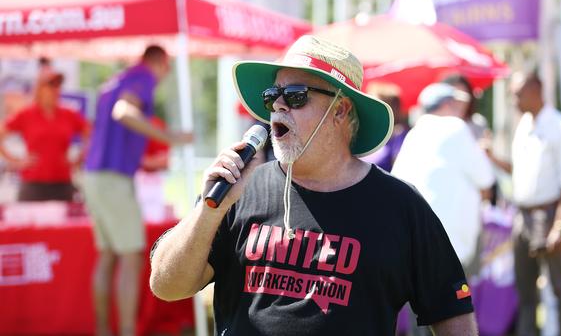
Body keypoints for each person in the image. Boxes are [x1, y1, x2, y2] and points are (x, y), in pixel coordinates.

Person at [149, 35, 477, 336]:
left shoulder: (400, 206)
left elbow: (452, 312)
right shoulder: (239, 190)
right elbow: (167, 286)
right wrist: (209, 210)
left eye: (295, 96)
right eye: (272, 96)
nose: (278, 105)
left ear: (340, 110)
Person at [83, 45, 192, 336]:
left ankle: (104, 330)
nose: (165, 76)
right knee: (131, 257)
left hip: (94, 176)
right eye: (167, 69)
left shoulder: (117, 80)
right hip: (113, 177)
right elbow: (124, 112)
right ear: (159, 62)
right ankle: (128, 331)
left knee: (108, 256)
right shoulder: (142, 78)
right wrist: (170, 137)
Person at [486, 72, 561, 336]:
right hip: (523, 216)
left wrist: (560, 226)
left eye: (518, 94)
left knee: (560, 289)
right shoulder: (525, 124)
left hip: (550, 214)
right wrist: (492, 157)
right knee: (526, 292)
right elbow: (521, 172)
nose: (513, 100)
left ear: (536, 90)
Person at [392, 83, 494, 269]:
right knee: (456, 296)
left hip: (413, 241)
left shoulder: (414, 134)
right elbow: (486, 178)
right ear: (446, 105)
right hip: (449, 243)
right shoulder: (455, 127)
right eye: (457, 103)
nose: (461, 109)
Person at [0, 68, 89, 201]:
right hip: (32, 185)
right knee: (28, 221)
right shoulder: (26, 114)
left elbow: (92, 136)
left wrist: (78, 160)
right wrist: (17, 161)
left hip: (62, 184)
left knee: (65, 221)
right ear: (40, 88)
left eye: (58, 85)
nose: (56, 89)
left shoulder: (69, 114)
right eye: (51, 85)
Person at [360, 81, 409, 171]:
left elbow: (401, 171)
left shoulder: (399, 134)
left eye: (374, 105)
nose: (370, 109)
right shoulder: (368, 135)